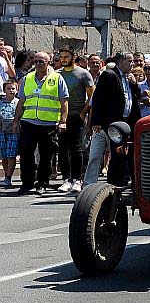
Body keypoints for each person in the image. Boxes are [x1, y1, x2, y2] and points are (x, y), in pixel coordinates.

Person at [11, 51, 69, 195]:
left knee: (46, 156)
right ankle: (27, 183)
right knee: (26, 154)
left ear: (48, 63)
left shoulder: (57, 78)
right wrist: (16, 121)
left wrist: (63, 121)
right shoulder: (27, 78)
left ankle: (42, 183)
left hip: (48, 123)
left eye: (41, 62)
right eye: (35, 61)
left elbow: (64, 102)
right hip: (28, 122)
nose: (37, 64)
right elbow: (21, 102)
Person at [84, 52, 141, 187]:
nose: (132, 64)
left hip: (124, 123)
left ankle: (117, 182)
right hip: (109, 123)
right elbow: (98, 98)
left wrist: (134, 83)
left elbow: (133, 96)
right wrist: (96, 121)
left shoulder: (127, 77)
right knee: (100, 154)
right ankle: (93, 185)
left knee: (120, 154)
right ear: (121, 62)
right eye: (129, 61)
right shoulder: (109, 75)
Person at [55, 47, 94, 193]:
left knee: (76, 148)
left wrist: (83, 114)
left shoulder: (83, 74)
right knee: (63, 148)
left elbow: (92, 96)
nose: (63, 59)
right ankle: (66, 178)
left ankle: (77, 179)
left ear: (74, 57)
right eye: (61, 57)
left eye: (66, 56)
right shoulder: (56, 74)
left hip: (77, 116)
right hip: (60, 117)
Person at [1, 79, 19, 187]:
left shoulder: (19, 103)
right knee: (4, 155)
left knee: (11, 155)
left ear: (17, 90)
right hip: (2, 131)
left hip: (14, 131)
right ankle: (6, 176)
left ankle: (9, 177)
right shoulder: (1, 102)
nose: (11, 91)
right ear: (4, 90)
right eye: (8, 89)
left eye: (13, 88)